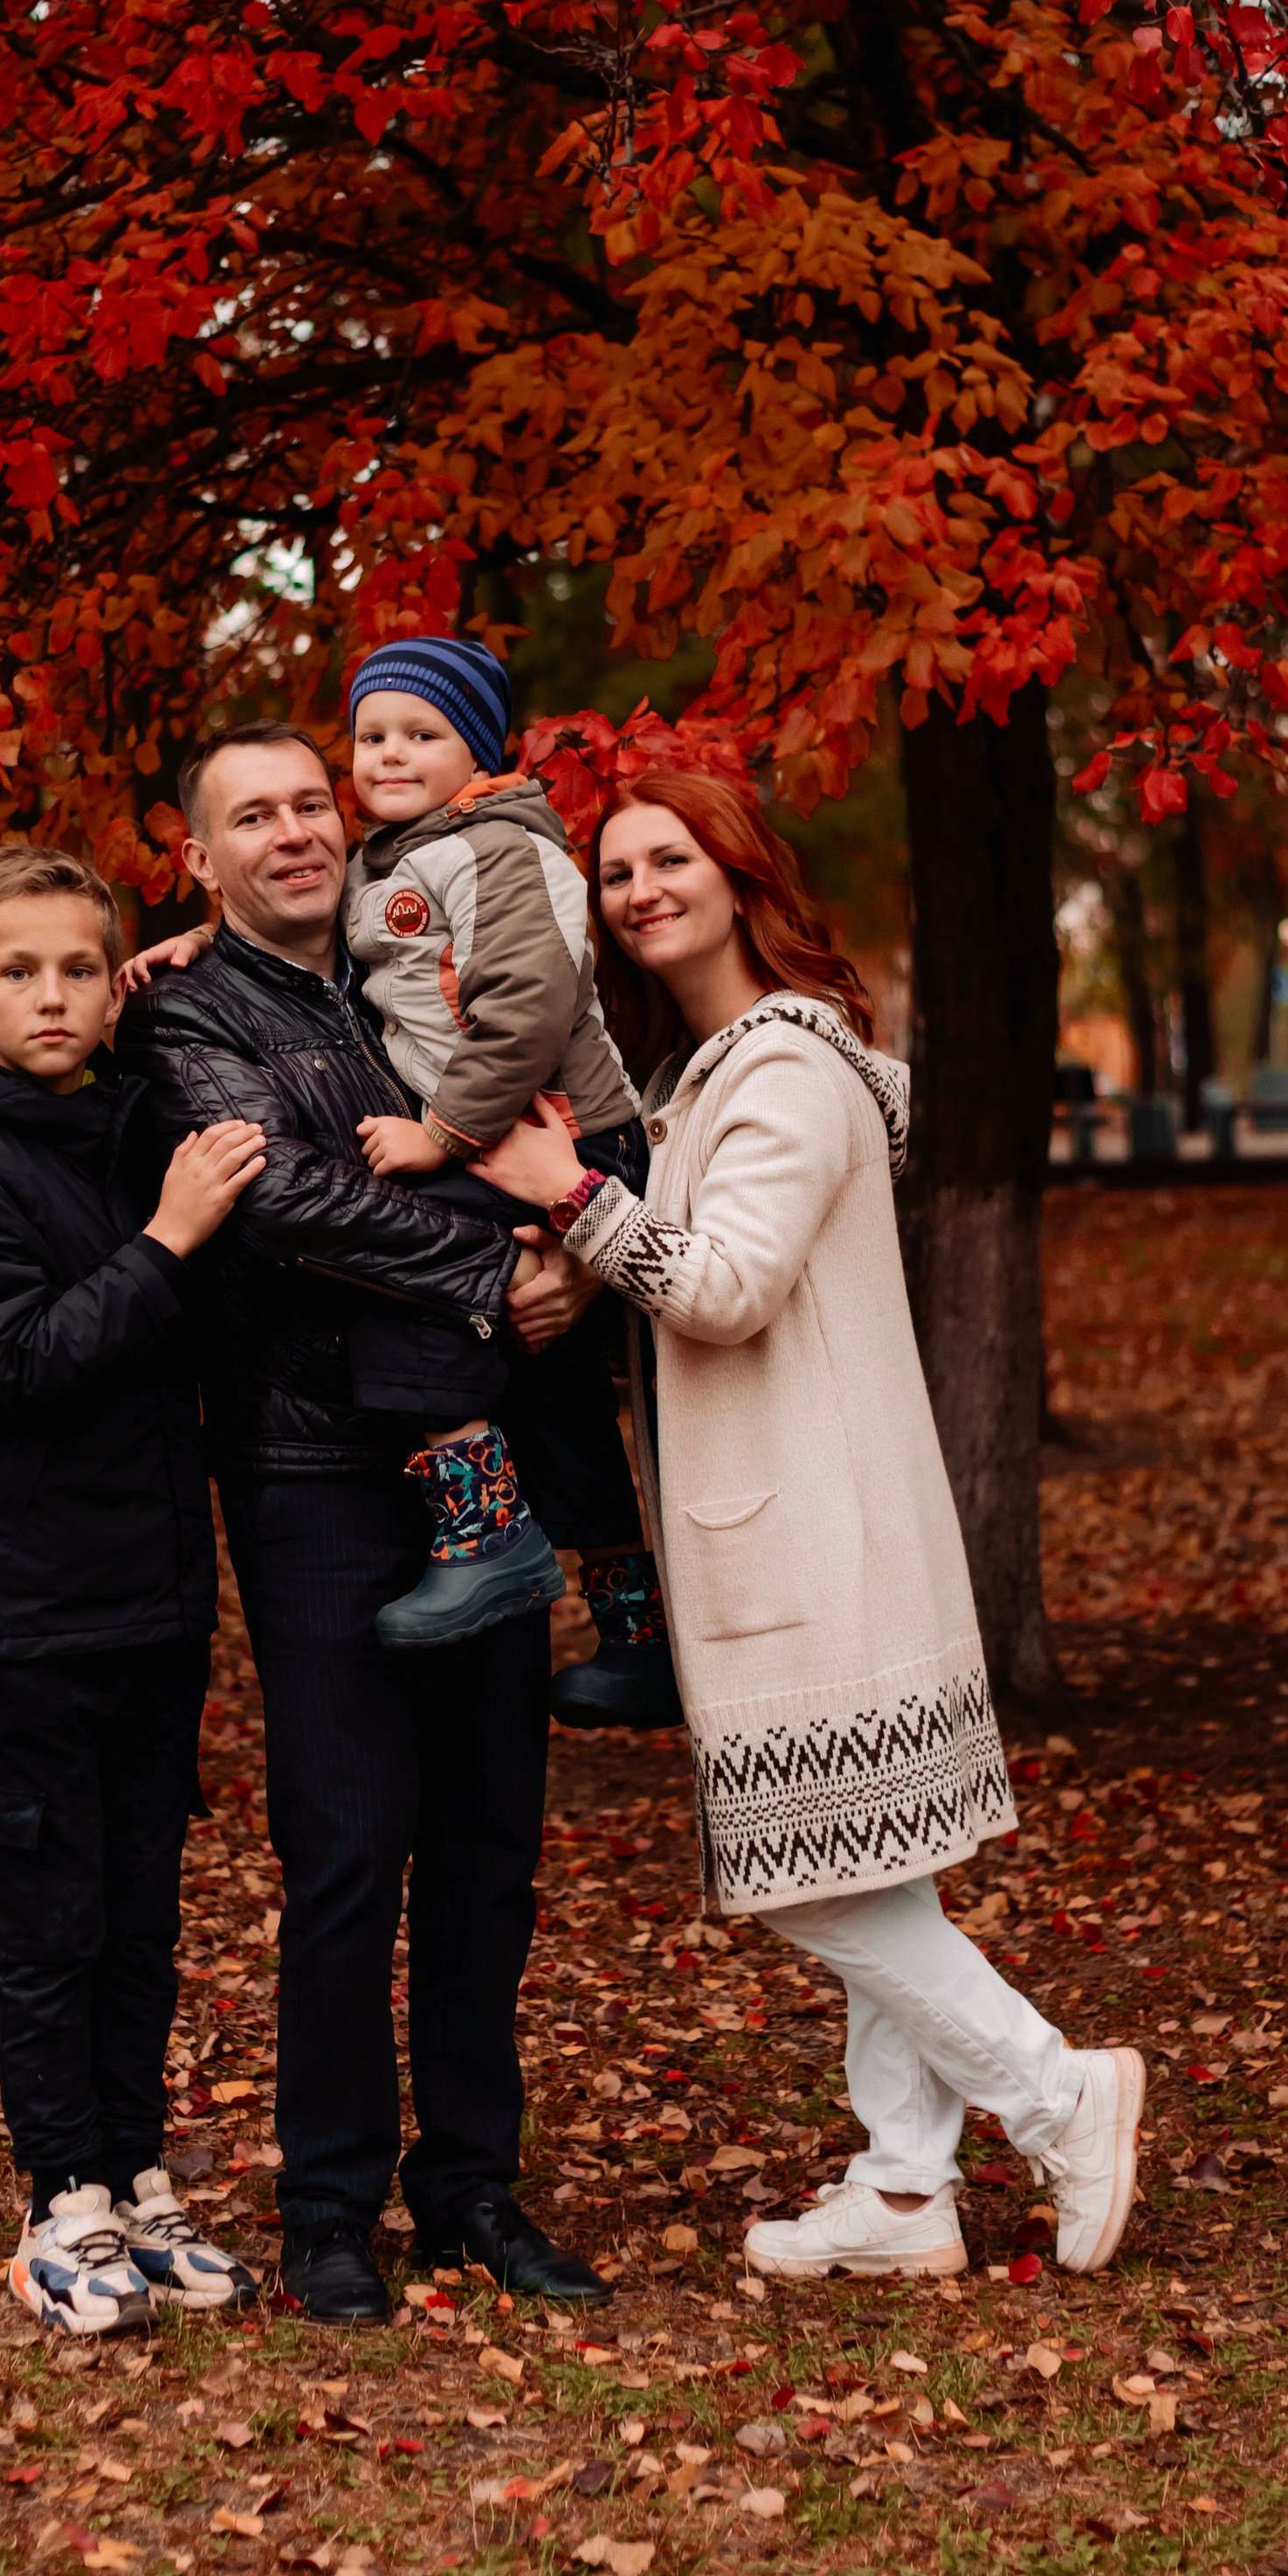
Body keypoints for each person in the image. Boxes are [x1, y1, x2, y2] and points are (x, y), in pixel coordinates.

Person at [471, 767, 1146, 2281]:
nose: (641, 886)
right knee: (875, 1859)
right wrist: (587, 1233)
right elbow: (691, 1254)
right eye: (619, 868)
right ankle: (907, 2190)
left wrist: (569, 1188)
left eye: (671, 855)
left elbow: (722, 1288)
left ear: (741, 866)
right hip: (810, 1519)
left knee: (815, 1871)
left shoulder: (777, 1071)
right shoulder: (717, 1072)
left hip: (807, 1532)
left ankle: (1059, 2091)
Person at [116, 723, 612, 2319]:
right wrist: (492, 1271)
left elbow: (560, 1074)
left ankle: (472, 2185)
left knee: (490, 1846)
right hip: (312, 1462)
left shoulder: (424, 958)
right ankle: (330, 2205)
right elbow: (281, 1192)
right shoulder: (190, 1006)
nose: (292, 833)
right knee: (346, 1845)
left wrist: (568, 1256)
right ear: (199, 861)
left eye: (307, 804)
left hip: (490, 1460)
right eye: (248, 817)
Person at [0, 844, 270, 2334]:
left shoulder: (125, 1130)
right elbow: (29, 1361)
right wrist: (170, 1234)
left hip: (152, 1594)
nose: (50, 995)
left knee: (143, 1911)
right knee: (55, 1914)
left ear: (113, 990)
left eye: (78, 969)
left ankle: (131, 2173)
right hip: (26, 1608)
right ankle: (61, 2200)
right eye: (19, 970)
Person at [334, 637, 674, 1718]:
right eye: (370, 735)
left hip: (549, 1129)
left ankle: (486, 1539)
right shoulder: (389, 859)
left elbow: (526, 1003)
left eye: (419, 734)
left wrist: (440, 1132)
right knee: (555, 1388)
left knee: (393, 1270)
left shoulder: (496, 848)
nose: (388, 753)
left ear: (474, 752)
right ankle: (637, 1636)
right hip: (505, 1134)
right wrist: (196, 947)